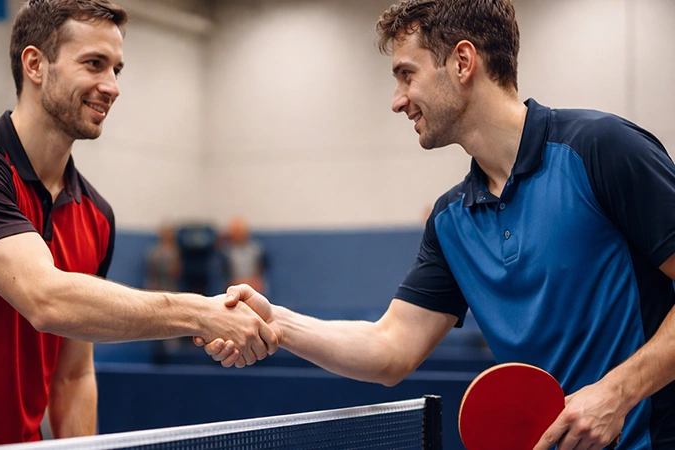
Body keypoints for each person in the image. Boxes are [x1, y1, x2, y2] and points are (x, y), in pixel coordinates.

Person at [197, 1, 675, 448]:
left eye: (407, 75)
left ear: (463, 62)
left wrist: (619, 391)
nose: (397, 100)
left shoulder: (601, 150)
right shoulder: (451, 221)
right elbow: (389, 349)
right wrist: (276, 322)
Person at [0, 1, 276, 448]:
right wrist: (199, 313)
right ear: (35, 65)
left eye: (117, 70)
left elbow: (72, 373)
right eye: (93, 64)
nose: (112, 87)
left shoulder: (96, 214)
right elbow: (45, 299)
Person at [221, 217, 267, 293]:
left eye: (241, 231)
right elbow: (224, 273)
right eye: (236, 231)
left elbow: (262, 268)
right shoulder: (225, 252)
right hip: (234, 286)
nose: (239, 234)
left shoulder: (256, 250)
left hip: (254, 285)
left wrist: (254, 282)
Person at [147, 223, 181, 292]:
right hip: (157, 285)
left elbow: (176, 271)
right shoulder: (155, 252)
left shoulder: (175, 251)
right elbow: (152, 271)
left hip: (170, 285)